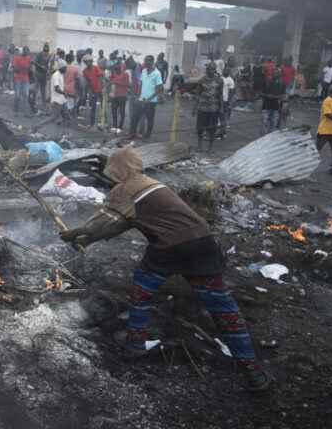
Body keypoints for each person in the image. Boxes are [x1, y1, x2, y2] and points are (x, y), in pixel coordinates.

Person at [59, 147, 271, 392]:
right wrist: (90, 240)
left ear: (117, 169)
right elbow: (122, 223)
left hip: (170, 247)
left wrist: (75, 233)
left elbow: (103, 222)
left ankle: (135, 344)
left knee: (142, 289)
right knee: (221, 306)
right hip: (204, 243)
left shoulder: (125, 189)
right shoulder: (152, 184)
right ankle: (253, 371)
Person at [129, 55, 163, 140]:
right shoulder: (144, 71)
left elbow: (159, 89)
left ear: (152, 62)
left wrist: (149, 100)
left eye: (147, 61)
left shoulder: (157, 73)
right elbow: (141, 84)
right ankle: (132, 134)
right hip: (141, 99)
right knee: (135, 117)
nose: (145, 62)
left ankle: (147, 136)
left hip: (151, 102)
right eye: (145, 60)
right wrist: (138, 96)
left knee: (149, 119)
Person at [193, 62, 223, 152]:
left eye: (213, 69)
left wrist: (221, 108)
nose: (211, 71)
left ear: (215, 70)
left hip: (213, 108)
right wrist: (195, 108)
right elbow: (197, 94)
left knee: (212, 129)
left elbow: (220, 94)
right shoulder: (202, 80)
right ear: (207, 70)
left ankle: (210, 147)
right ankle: (200, 146)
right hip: (202, 107)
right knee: (200, 128)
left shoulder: (219, 80)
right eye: (209, 69)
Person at [260, 68, 285, 135]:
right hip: (266, 106)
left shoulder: (282, 84)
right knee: (264, 123)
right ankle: (263, 138)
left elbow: (283, 96)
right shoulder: (266, 82)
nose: (275, 74)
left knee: (273, 124)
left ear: (280, 75)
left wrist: (275, 97)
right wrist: (267, 95)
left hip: (276, 107)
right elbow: (261, 93)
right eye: (274, 73)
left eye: (277, 73)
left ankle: (270, 138)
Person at [109, 62, 130, 131]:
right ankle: (114, 125)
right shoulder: (113, 74)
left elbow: (127, 85)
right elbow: (110, 82)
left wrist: (117, 83)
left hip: (122, 96)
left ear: (120, 69)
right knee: (113, 111)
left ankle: (120, 126)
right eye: (115, 70)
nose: (116, 71)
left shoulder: (125, 74)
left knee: (122, 111)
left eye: (117, 69)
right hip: (114, 95)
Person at [83, 57, 103, 127]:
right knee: (93, 107)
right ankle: (92, 123)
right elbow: (87, 82)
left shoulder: (96, 68)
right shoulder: (85, 71)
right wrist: (90, 91)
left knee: (103, 106)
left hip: (100, 89)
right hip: (92, 90)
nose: (88, 63)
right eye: (86, 62)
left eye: (89, 61)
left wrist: (101, 88)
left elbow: (101, 77)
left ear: (91, 61)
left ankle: (104, 121)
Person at [11, 46, 31, 115]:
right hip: (18, 78)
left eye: (28, 51)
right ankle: (15, 108)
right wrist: (22, 68)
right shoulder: (17, 58)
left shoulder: (29, 58)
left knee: (26, 94)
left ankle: (25, 111)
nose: (27, 52)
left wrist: (29, 68)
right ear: (23, 51)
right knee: (17, 95)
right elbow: (14, 69)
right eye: (26, 51)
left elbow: (29, 69)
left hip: (26, 78)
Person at [33, 43, 51, 109]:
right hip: (38, 73)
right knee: (36, 89)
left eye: (47, 50)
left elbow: (49, 65)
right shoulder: (39, 54)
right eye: (45, 50)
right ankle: (34, 102)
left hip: (44, 75)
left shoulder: (49, 56)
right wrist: (41, 66)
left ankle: (43, 103)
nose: (46, 52)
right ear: (43, 49)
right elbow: (34, 62)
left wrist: (48, 71)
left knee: (43, 90)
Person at [219, 67, 236, 136]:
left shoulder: (230, 80)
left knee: (223, 117)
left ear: (229, 72)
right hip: (219, 99)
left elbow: (232, 92)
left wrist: (228, 102)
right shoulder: (220, 78)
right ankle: (219, 132)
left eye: (227, 71)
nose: (225, 72)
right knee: (218, 117)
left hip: (225, 101)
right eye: (224, 70)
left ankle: (223, 133)